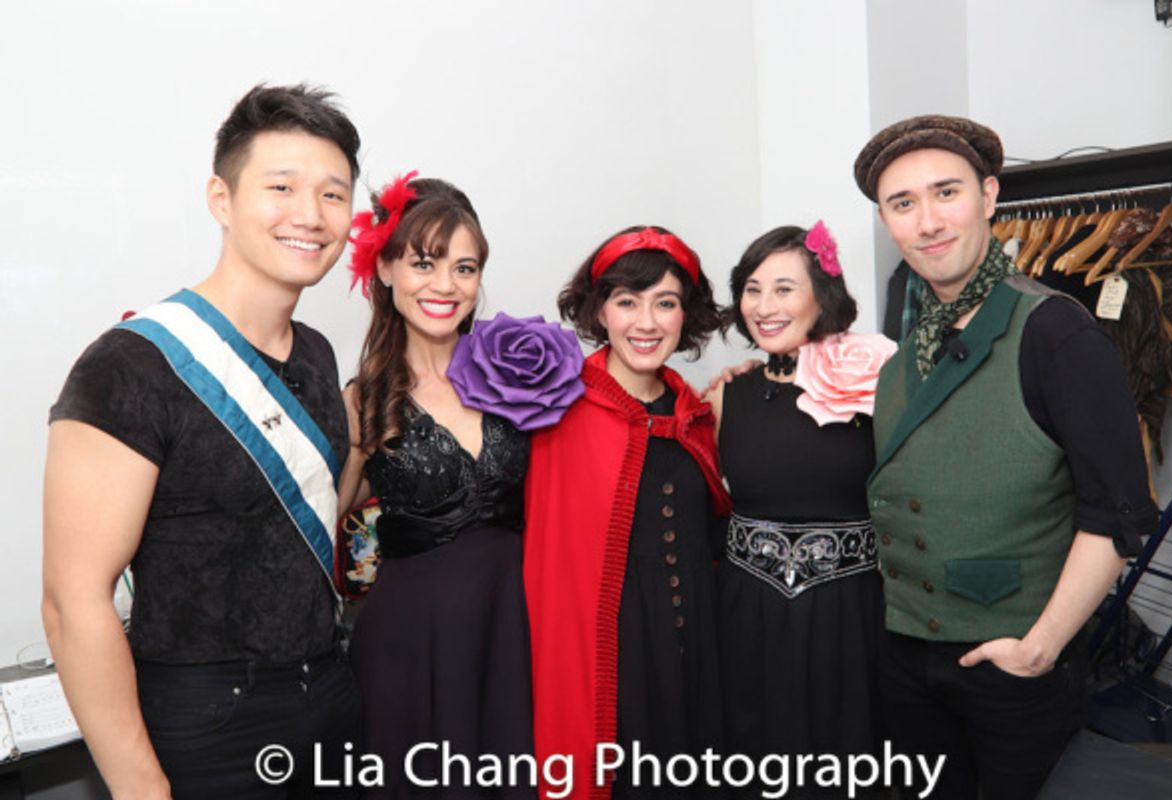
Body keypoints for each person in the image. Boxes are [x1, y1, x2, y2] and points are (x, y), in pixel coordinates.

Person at [43, 84, 363, 799]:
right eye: (281, 187)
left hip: (331, 699)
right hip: (206, 725)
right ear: (221, 198)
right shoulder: (130, 364)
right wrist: (139, 787)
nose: (310, 216)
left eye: (333, 194)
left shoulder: (314, 355)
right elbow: (73, 601)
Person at [854, 114, 1158, 799]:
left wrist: (1041, 647)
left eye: (946, 192)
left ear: (989, 196)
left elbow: (1119, 510)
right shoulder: (900, 362)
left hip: (1015, 667)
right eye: (903, 205)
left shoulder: (1055, 331)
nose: (928, 221)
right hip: (906, 659)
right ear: (888, 222)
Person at [338, 174, 534, 799]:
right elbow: (311, 528)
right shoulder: (363, 401)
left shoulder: (517, 377)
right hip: (412, 647)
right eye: (425, 262)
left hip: (514, 631)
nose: (446, 285)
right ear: (386, 267)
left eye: (465, 266)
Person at [523, 226, 731, 799]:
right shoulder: (555, 406)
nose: (646, 322)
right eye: (627, 302)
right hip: (611, 666)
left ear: (685, 315)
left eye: (665, 303)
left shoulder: (696, 413)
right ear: (600, 311)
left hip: (696, 661)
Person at [705, 223, 893, 791]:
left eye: (784, 289)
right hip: (746, 613)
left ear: (822, 294)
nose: (764, 306)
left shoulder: (875, 386)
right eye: (753, 289)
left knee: (846, 759)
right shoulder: (724, 393)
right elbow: (708, 497)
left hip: (850, 612)